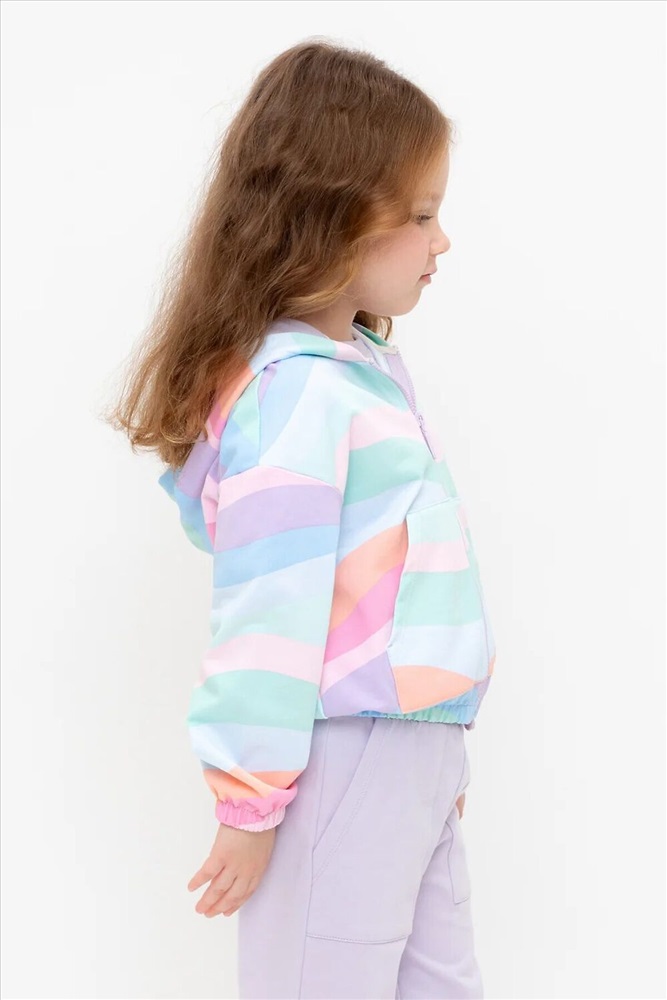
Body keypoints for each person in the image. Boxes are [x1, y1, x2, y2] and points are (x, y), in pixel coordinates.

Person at [105, 37, 495, 1000]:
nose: (440, 241)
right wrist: (249, 803)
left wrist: (434, 750)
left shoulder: (359, 376)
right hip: (345, 752)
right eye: (419, 215)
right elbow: (267, 614)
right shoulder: (295, 398)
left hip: (409, 748)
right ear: (330, 218)